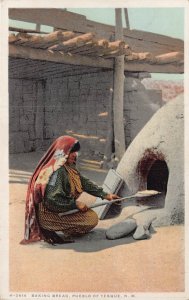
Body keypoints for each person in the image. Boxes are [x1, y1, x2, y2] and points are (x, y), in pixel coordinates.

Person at [20, 135, 119, 245]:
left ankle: (66, 227)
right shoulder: (57, 172)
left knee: (89, 215)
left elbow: (83, 182)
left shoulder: (68, 165)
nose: (74, 155)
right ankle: (59, 229)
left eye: (75, 152)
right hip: (49, 213)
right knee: (91, 219)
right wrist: (75, 204)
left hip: (60, 208)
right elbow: (52, 200)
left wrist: (105, 195)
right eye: (71, 152)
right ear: (63, 152)